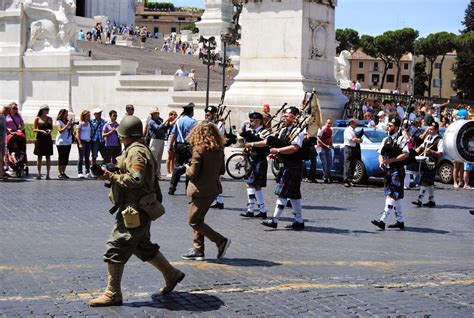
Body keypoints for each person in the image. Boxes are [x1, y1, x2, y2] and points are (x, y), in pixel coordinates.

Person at [89, 115, 185, 307]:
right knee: (142, 245)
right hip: (135, 207)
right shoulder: (135, 150)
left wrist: (112, 176)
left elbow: (136, 180)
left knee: (116, 247)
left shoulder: (136, 153)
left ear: (124, 134)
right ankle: (171, 274)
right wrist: (113, 175)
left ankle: (113, 293)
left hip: (135, 210)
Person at [181, 122, 231, 261]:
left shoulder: (199, 149)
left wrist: (186, 168)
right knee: (199, 219)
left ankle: (220, 240)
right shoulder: (219, 149)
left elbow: (193, 173)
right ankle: (198, 250)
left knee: (193, 221)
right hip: (213, 188)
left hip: (200, 189)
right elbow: (222, 170)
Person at [256, 107, 306, 230]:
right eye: (283, 116)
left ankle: (274, 220)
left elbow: (295, 148)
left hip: (294, 165)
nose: (283, 118)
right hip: (286, 165)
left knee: (282, 193)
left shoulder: (298, 131)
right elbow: (278, 144)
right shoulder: (283, 130)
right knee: (294, 195)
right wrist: (276, 152)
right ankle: (299, 221)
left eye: (287, 116)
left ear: (294, 118)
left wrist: (277, 150)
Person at [371, 117, 409, 230]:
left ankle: (383, 220)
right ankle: (400, 221)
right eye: (388, 125)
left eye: (391, 126)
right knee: (396, 197)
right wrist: (381, 161)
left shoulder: (402, 139)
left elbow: (405, 154)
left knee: (391, 194)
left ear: (396, 127)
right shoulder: (386, 139)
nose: (388, 127)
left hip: (397, 170)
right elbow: (380, 153)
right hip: (388, 171)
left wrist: (391, 160)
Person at [240, 111, 271, 218]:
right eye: (250, 120)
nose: (251, 122)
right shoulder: (251, 131)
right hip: (253, 160)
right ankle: (262, 210)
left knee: (250, 184)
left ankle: (250, 209)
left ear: (259, 121)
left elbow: (265, 143)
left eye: (253, 121)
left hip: (260, 160)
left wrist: (252, 143)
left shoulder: (265, 132)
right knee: (256, 187)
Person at [412, 122, 444, 208]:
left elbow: (440, 154)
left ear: (436, 130)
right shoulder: (428, 137)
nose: (429, 131)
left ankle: (419, 200)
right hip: (424, 161)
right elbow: (422, 146)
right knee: (430, 182)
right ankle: (431, 200)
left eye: (432, 129)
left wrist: (432, 152)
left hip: (432, 163)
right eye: (429, 129)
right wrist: (416, 150)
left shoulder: (439, 140)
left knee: (424, 180)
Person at [168, 103, 197, 195]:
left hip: (179, 145)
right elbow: (195, 136)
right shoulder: (193, 122)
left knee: (177, 164)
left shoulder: (178, 121)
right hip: (189, 146)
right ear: (191, 112)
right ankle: (187, 189)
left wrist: (171, 145)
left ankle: (172, 188)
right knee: (189, 166)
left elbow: (174, 134)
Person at [203, 106, 226, 209]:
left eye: (209, 114)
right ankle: (217, 200)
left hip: (216, 153)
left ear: (214, 114)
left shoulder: (219, 125)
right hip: (208, 152)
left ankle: (218, 200)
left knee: (215, 177)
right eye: (206, 114)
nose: (207, 116)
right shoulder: (206, 124)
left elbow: (220, 138)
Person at [33, 105, 53, 180]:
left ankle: (48, 174)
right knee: (39, 157)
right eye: (46, 109)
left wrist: (50, 131)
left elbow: (51, 128)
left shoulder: (49, 118)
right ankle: (39, 173)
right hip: (40, 138)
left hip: (47, 138)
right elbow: (34, 129)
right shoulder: (37, 118)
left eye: (48, 109)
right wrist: (40, 131)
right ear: (42, 110)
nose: (47, 111)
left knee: (48, 156)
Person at [147, 107, 169, 178]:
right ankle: (151, 174)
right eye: (156, 113)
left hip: (161, 139)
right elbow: (158, 128)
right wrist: (166, 121)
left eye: (158, 113)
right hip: (155, 140)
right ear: (153, 114)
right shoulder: (151, 121)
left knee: (159, 158)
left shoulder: (159, 120)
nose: (158, 114)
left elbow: (164, 127)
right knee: (154, 158)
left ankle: (158, 174)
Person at [55, 109, 73, 179]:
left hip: (68, 141)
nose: (67, 115)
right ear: (62, 114)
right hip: (61, 142)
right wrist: (67, 125)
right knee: (61, 158)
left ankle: (63, 172)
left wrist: (71, 125)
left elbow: (70, 130)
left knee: (66, 158)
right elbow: (60, 131)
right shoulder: (59, 122)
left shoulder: (67, 121)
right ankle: (59, 172)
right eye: (66, 114)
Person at [343, 118, 361, 187]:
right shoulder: (348, 130)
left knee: (353, 164)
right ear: (352, 123)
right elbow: (353, 139)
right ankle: (346, 180)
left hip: (353, 148)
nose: (357, 124)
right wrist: (359, 140)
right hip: (348, 148)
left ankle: (350, 180)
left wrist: (358, 140)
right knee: (348, 164)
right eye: (355, 122)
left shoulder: (353, 130)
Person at [76, 110, 92, 179]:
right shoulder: (80, 124)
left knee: (87, 157)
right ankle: (80, 172)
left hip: (88, 141)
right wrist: (79, 143)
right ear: (84, 116)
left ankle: (87, 171)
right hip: (82, 141)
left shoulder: (89, 123)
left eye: (89, 115)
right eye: (88, 115)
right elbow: (77, 134)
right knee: (81, 157)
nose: (89, 116)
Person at [317, 118, 334, 183]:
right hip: (322, 148)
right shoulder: (322, 129)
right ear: (325, 123)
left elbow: (330, 138)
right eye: (328, 123)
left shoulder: (331, 130)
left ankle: (328, 176)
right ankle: (325, 177)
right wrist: (325, 145)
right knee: (324, 163)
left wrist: (331, 144)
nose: (329, 124)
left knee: (329, 163)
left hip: (328, 148)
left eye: (330, 123)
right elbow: (318, 138)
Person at [166, 110, 178, 176]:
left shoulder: (176, 122)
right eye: (174, 114)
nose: (175, 116)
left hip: (175, 138)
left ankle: (172, 170)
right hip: (170, 138)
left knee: (173, 157)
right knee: (169, 156)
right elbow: (171, 123)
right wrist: (177, 119)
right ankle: (168, 171)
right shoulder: (169, 122)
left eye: (176, 114)